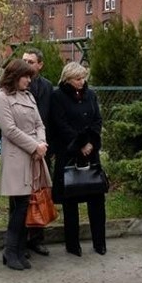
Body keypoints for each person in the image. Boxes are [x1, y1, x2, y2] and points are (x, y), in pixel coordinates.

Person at [0, 58, 51, 270]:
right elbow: (9, 130)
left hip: (35, 156)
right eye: (26, 76)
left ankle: (17, 250)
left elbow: (39, 123)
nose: (29, 80)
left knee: (25, 206)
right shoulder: (1, 97)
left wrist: (42, 143)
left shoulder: (28, 96)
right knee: (19, 207)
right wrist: (35, 146)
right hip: (18, 157)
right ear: (15, 76)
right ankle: (11, 251)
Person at [48, 62, 106, 256]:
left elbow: (97, 120)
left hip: (91, 153)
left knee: (96, 200)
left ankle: (100, 243)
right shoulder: (57, 96)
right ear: (68, 79)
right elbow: (60, 124)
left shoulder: (91, 95)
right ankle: (73, 245)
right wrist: (79, 143)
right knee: (70, 201)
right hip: (69, 153)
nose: (82, 82)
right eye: (78, 79)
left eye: (83, 78)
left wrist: (90, 143)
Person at [22, 48, 53, 256]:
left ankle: (37, 238)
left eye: (31, 62)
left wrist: (42, 146)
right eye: (24, 60)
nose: (27, 64)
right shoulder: (14, 85)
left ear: (40, 65)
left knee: (40, 194)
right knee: (20, 196)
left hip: (42, 150)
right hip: (22, 149)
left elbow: (46, 118)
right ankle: (19, 239)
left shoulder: (47, 87)